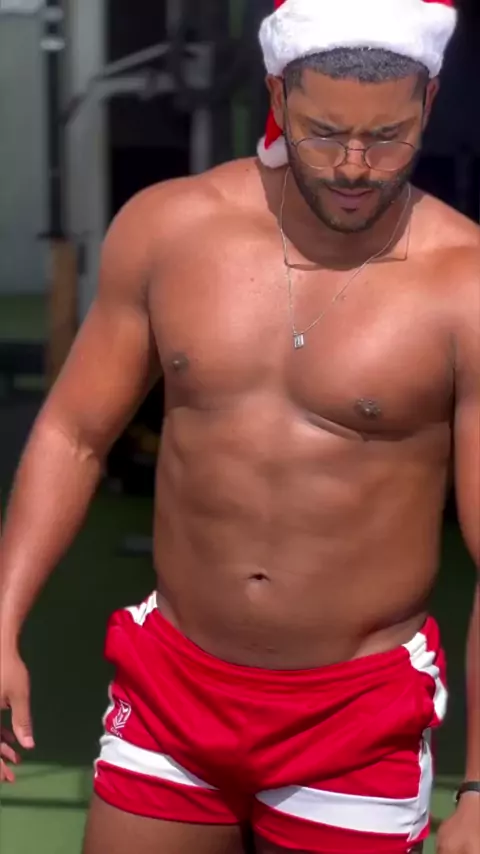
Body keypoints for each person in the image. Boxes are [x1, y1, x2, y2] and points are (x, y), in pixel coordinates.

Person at [1, 0, 479, 852]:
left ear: (429, 105)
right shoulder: (171, 228)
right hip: (171, 686)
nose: (355, 166)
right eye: (324, 133)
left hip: (357, 711)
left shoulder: (464, 283)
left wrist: (478, 782)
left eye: (389, 137)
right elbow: (73, 434)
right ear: (278, 97)